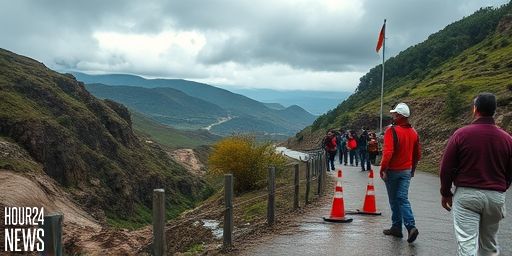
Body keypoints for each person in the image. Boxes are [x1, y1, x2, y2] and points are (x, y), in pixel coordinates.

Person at [440, 93, 512, 256]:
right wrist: (501, 188)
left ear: (475, 109)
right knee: (489, 244)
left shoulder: (461, 134)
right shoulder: (507, 139)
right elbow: (509, 171)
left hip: (467, 195)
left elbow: (447, 167)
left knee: (467, 245)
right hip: (495, 196)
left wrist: (446, 193)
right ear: (494, 111)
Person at [380, 102, 421, 243]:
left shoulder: (391, 131)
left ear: (399, 116)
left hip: (392, 171)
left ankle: (400, 227)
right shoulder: (414, 133)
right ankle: (407, 228)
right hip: (406, 171)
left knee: (394, 200)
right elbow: (417, 155)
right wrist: (413, 170)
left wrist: (383, 169)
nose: (393, 116)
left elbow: (388, 153)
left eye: (394, 114)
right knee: (402, 198)